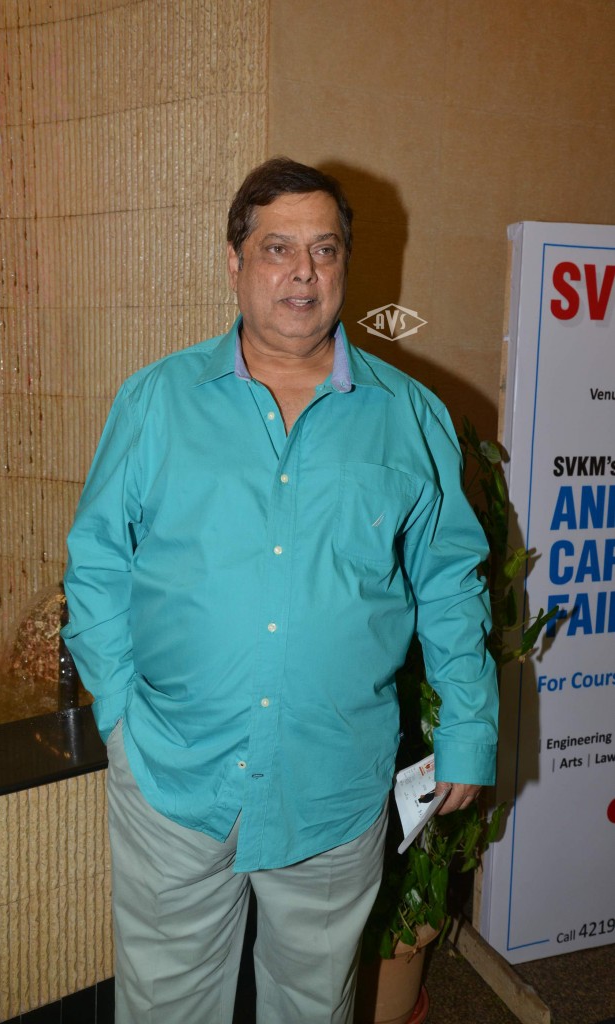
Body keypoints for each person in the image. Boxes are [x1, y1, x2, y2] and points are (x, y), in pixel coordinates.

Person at [62, 157, 498, 1024]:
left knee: (312, 1003)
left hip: (333, 777)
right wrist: (117, 711)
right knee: (167, 1005)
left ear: (344, 265)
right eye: (277, 248)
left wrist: (469, 731)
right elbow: (97, 559)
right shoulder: (156, 402)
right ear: (234, 262)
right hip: (175, 773)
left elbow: (450, 581)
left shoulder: (407, 415)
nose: (302, 272)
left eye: (323, 250)